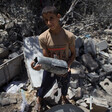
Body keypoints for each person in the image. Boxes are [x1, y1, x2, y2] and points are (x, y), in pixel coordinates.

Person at [31, 6, 76, 111]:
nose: (49, 22)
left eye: (51, 18)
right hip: (51, 68)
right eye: (46, 20)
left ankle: (64, 97)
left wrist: (68, 66)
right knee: (45, 85)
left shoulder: (69, 36)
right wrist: (37, 66)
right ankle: (39, 99)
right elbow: (46, 58)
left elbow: (73, 54)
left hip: (64, 67)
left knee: (65, 85)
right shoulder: (43, 37)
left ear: (58, 17)